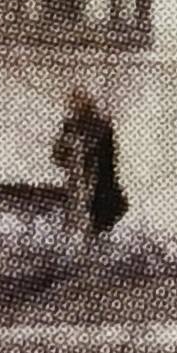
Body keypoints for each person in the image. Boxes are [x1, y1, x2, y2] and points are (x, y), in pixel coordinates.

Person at [52, 88, 125, 240]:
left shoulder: (100, 126)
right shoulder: (70, 126)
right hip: (78, 179)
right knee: (78, 209)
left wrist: (83, 151)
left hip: (97, 179)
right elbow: (57, 154)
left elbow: (108, 156)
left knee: (94, 208)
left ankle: (93, 234)